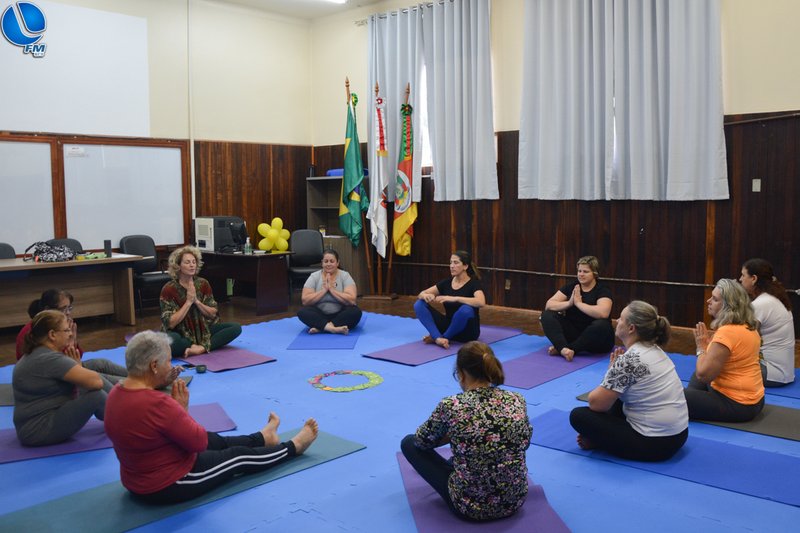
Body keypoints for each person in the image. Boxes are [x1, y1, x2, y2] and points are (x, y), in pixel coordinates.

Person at [104, 331, 319, 503]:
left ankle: (262, 437)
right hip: (170, 484)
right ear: (153, 365)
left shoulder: (116, 393)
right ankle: (293, 447)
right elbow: (197, 443)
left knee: (217, 440)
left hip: (135, 481)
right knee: (238, 456)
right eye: (168, 362)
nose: (170, 367)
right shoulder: (157, 404)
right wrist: (181, 409)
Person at [401, 341, 531, 521]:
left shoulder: (451, 405)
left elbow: (422, 442)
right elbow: (524, 442)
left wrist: (453, 433)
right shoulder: (517, 399)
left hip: (470, 507)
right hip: (514, 500)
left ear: (461, 374)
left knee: (408, 442)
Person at [569, 301, 688, 461]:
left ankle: (600, 441)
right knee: (617, 394)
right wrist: (614, 375)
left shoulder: (630, 359)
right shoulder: (655, 350)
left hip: (655, 444)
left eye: (621, 318)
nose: (617, 320)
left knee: (578, 416)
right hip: (679, 435)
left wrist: (610, 373)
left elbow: (595, 403)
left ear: (631, 328)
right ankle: (600, 439)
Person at [12, 310, 107, 446]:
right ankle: (125, 418)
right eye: (66, 330)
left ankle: (129, 398)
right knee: (96, 395)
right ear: (52, 335)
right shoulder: (49, 359)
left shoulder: (37, 353)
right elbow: (96, 382)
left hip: (30, 429)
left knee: (96, 373)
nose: (70, 334)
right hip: (38, 430)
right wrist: (79, 366)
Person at [685, 279, 765, 422]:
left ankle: (689, 403)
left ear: (728, 306)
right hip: (756, 401)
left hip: (738, 405)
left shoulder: (728, 332)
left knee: (676, 398)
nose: (708, 301)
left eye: (715, 299)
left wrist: (702, 347)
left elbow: (704, 375)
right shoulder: (748, 327)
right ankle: (691, 402)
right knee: (698, 371)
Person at [15, 288, 127, 385]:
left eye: (69, 308)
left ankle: (140, 377)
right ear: (48, 308)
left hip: (60, 368)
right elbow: (62, 363)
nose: (68, 313)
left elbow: (76, 357)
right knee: (97, 377)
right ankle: (135, 384)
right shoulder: (39, 330)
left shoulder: (52, 324)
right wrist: (71, 344)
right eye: (63, 309)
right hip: (49, 377)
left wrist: (73, 341)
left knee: (101, 363)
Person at [160, 245, 242, 357]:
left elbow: (213, 313)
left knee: (235, 328)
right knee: (170, 342)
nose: (192, 265)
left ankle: (201, 348)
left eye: (194, 262)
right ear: (178, 266)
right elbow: (170, 322)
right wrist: (188, 302)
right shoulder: (169, 289)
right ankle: (194, 345)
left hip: (203, 331)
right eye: (187, 262)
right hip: (180, 333)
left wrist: (196, 301)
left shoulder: (203, 284)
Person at [540, 255, 615, 361]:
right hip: (574, 334)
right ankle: (563, 349)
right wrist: (570, 303)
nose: (581, 274)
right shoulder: (572, 286)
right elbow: (549, 304)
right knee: (547, 314)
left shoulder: (602, 290)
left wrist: (579, 304)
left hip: (596, 340)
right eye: (579, 271)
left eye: (585, 271)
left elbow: (603, 313)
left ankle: (570, 348)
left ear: (594, 273)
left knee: (602, 324)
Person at [739, 258, 795, 386]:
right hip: (783, 373)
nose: (740, 279)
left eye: (743, 275)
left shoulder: (762, 303)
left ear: (754, 278)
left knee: (717, 367)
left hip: (773, 373)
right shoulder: (773, 298)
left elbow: (741, 339)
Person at [413, 250, 486, 349]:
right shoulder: (446, 283)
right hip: (448, 327)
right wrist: (425, 295)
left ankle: (444, 337)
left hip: (468, 333)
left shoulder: (474, 284)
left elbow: (481, 302)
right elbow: (421, 293)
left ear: (465, 266)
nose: (452, 266)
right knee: (419, 304)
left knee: (466, 310)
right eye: (450, 263)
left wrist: (455, 298)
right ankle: (438, 338)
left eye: (456, 263)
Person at [298, 248, 362, 334]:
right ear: (322, 263)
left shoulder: (345, 276)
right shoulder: (314, 276)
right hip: (320, 314)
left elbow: (352, 300)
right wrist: (324, 291)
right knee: (302, 312)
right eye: (326, 261)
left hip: (340, 314)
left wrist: (332, 290)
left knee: (355, 312)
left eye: (332, 261)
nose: (329, 264)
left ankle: (322, 327)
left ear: (337, 263)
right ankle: (333, 329)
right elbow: (305, 300)